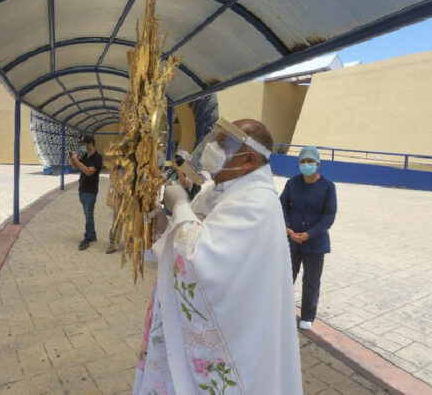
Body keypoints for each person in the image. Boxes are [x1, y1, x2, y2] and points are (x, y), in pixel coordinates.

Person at [133, 118, 302, 394]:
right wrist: (161, 219)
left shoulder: (257, 202)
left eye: (222, 144)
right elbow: (184, 236)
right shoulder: (216, 189)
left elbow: (198, 258)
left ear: (248, 160)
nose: (211, 148)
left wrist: (180, 206)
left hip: (234, 333)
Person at [280, 146, 337, 330]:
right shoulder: (292, 184)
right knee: (286, 278)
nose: (306, 164)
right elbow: (281, 207)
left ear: (318, 164)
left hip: (315, 243)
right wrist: (288, 230)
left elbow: (329, 216)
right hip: (292, 241)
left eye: (310, 161)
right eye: (303, 161)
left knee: (311, 281)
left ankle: (307, 316)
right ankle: (281, 312)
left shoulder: (328, 187)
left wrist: (309, 234)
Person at [69, 135, 103, 250]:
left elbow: (88, 171)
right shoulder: (85, 156)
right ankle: (92, 234)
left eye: (83, 144)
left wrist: (78, 161)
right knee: (87, 214)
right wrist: (72, 159)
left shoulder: (97, 157)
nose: (82, 146)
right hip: (82, 189)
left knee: (88, 214)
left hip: (90, 190)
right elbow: (75, 167)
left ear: (90, 144)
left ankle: (88, 237)